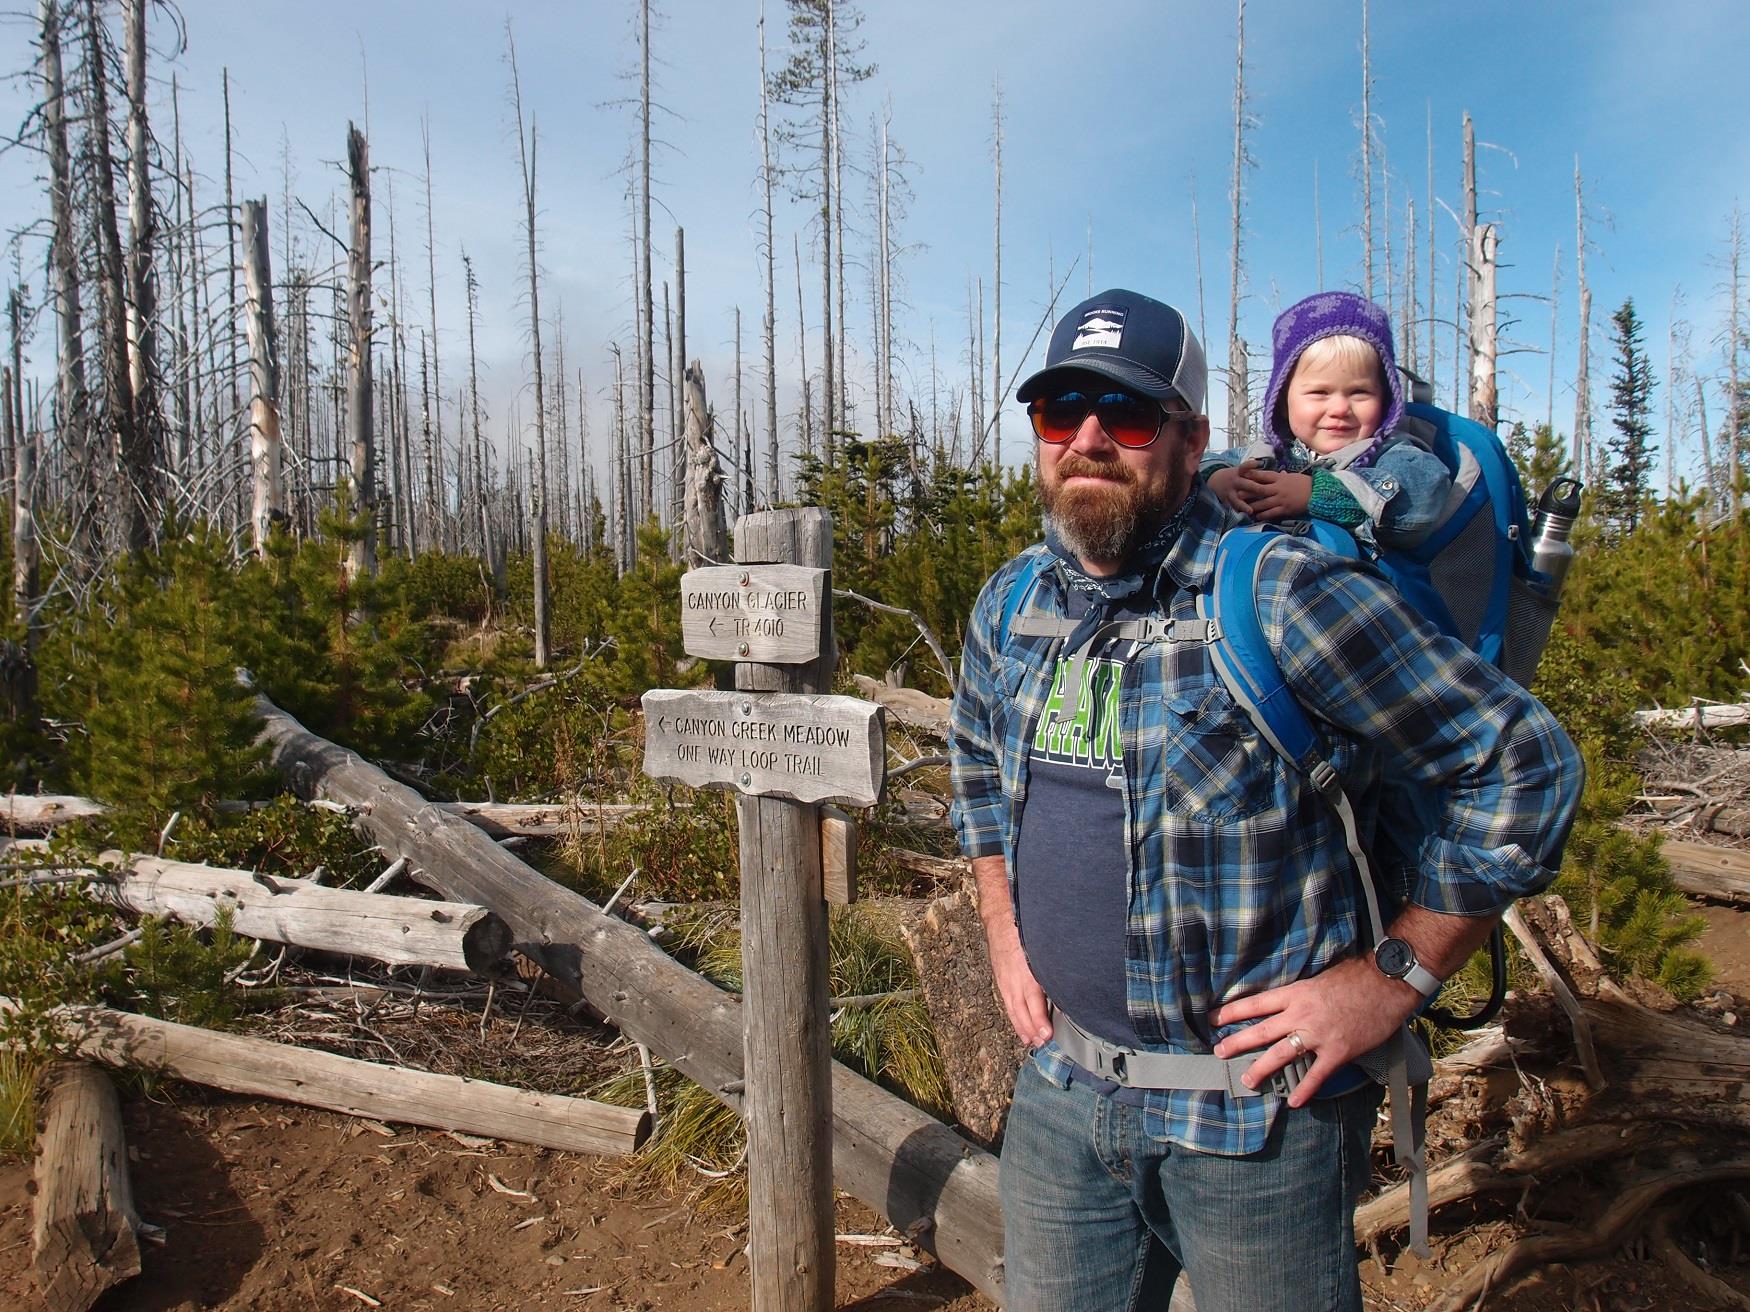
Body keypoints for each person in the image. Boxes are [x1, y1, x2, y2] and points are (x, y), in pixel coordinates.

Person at [948, 287, 1582, 1311]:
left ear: (1191, 440)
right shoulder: (1014, 601)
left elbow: (1524, 764)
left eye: (1130, 414)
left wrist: (1392, 979)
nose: (1091, 438)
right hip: (1060, 1093)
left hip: (1255, 1123)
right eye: (1062, 410)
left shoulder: (1279, 592)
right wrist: (1000, 927)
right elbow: (977, 763)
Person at [1205, 291, 1450, 551]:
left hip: (1360, 589)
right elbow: (1193, 468)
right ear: (1283, 403)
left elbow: (1421, 500)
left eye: (1360, 392)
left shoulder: (1394, 455)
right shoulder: (1265, 455)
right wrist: (1217, 478)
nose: (1340, 408)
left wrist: (1316, 494)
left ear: (1385, 399)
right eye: (1319, 393)